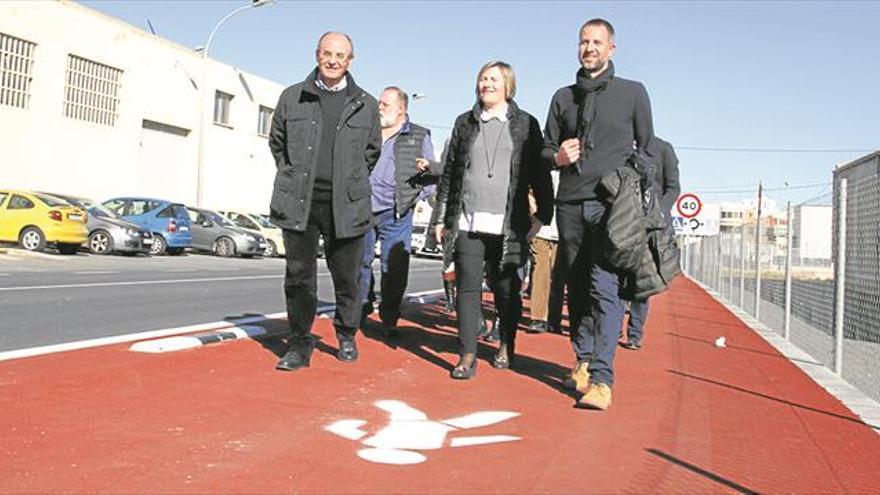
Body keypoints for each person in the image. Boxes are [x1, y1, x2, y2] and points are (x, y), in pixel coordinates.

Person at [543, 18, 654, 409]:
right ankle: (584, 358)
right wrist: (557, 157)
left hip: (611, 207)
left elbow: (649, 149)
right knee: (575, 283)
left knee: (604, 287)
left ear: (611, 49)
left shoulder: (633, 93)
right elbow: (545, 149)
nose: (589, 48)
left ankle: (603, 380)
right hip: (570, 203)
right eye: (583, 41)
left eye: (597, 42)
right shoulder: (562, 97)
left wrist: (635, 192)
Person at [268, 31, 381, 371]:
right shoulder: (292, 97)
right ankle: (300, 344)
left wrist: (349, 180)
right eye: (327, 53)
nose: (333, 61)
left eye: (341, 55)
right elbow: (278, 144)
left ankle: (346, 333)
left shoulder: (366, 104)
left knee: (347, 277)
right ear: (317, 54)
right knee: (299, 276)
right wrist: (295, 174)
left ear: (351, 60)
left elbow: (371, 152)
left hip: (346, 205)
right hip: (299, 202)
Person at [434, 61, 553, 379]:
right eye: (483, 78)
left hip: (508, 225)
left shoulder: (526, 124)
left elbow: (540, 173)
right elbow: (449, 173)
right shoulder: (464, 123)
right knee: (467, 288)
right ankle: (467, 354)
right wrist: (440, 217)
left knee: (506, 291)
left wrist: (543, 215)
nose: (487, 84)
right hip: (467, 221)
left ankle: (505, 345)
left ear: (508, 87)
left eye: (494, 79)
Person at [359, 87, 439, 337]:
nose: (379, 107)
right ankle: (361, 309)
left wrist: (429, 203)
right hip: (362, 207)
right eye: (379, 103)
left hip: (397, 211)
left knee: (394, 267)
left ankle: (389, 316)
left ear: (402, 109)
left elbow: (430, 173)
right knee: (358, 264)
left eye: (385, 104)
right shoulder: (367, 130)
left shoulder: (418, 135)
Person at [621, 136, 680, 350]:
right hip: (621, 222)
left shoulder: (663, 149)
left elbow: (673, 188)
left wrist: (658, 213)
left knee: (642, 279)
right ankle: (611, 325)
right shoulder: (618, 143)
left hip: (650, 225)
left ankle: (635, 333)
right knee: (616, 275)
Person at [525, 172, 565, 334]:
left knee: (558, 276)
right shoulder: (542, 169)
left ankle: (554, 318)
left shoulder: (571, 173)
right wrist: (532, 210)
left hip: (563, 230)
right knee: (540, 271)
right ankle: (538, 317)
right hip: (540, 229)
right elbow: (528, 190)